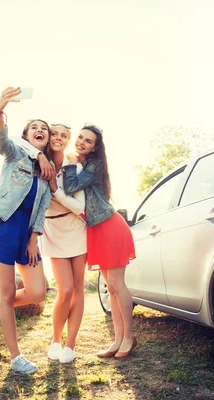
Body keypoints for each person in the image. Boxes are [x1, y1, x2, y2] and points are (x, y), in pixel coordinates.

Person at [0, 86, 54, 375]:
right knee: (8, 293)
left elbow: (42, 208)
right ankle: (16, 357)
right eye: (34, 127)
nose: (39, 129)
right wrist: (0, 109)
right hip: (4, 227)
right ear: (27, 135)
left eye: (44, 128)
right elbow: (0, 139)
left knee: (37, 293)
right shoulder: (15, 155)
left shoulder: (48, 172)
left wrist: (34, 238)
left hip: (27, 236)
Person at [62, 124, 137, 359]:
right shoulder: (86, 165)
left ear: (95, 148)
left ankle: (129, 337)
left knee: (116, 285)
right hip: (96, 230)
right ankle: (116, 339)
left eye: (88, 141)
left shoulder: (93, 166)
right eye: (80, 138)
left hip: (111, 226)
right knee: (111, 289)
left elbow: (71, 186)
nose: (82, 142)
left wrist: (71, 162)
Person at [40, 123, 87, 364]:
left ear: (68, 140)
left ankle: (71, 345)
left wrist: (56, 190)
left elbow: (80, 207)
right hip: (52, 230)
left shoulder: (73, 166)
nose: (58, 138)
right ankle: (56, 340)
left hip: (76, 229)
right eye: (54, 134)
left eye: (63, 135)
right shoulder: (39, 163)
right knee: (65, 289)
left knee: (77, 288)